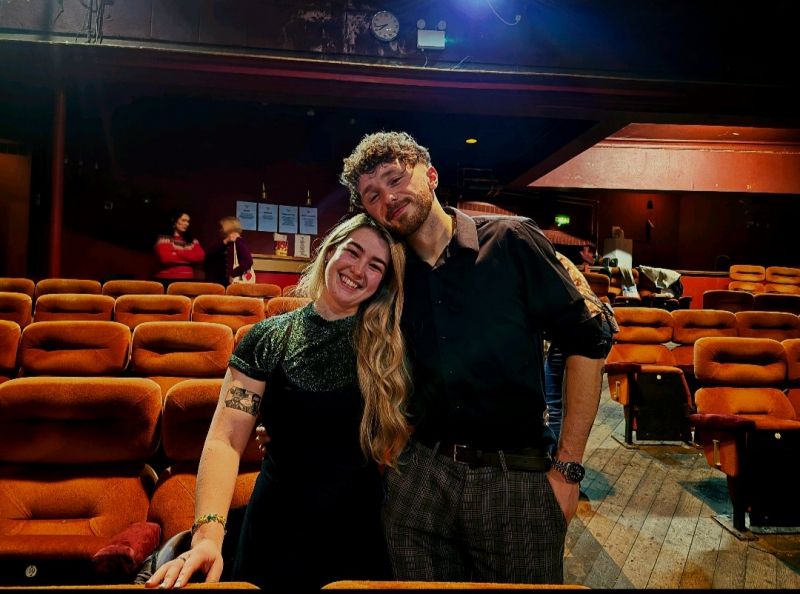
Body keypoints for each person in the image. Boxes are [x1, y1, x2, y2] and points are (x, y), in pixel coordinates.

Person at [339, 131, 606, 585]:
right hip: (419, 476)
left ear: (431, 174)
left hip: (514, 479)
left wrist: (568, 469)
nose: (388, 197)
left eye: (395, 179)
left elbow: (587, 342)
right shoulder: (388, 272)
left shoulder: (512, 240)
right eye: (373, 195)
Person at [145, 213, 411, 591]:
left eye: (375, 266)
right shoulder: (268, 337)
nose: (358, 270)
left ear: (382, 282)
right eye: (353, 252)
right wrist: (208, 537)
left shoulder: (391, 347)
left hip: (357, 528)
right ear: (331, 250)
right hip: (277, 527)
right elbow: (225, 440)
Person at [545, 252, 618, 456]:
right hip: (601, 322)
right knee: (575, 403)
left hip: (579, 324)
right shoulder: (550, 254)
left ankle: (553, 466)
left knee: (555, 400)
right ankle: (565, 462)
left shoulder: (530, 256)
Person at [153, 210, 206, 289]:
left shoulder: (191, 240)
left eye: (188, 222)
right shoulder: (164, 238)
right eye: (183, 220)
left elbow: (201, 256)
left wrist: (178, 252)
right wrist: (190, 255)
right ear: (174, 220)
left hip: (187, 279)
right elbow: (166, 258)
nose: (186, 224)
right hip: (166, 280)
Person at [204, 216, 254, 286]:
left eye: (222, 227)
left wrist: (233, 274)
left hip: (229, 283)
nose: (220, 230)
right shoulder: (222, 241)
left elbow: (248, 261)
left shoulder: (239, 242)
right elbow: (209, 253)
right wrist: (225, 241)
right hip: (216, 283)